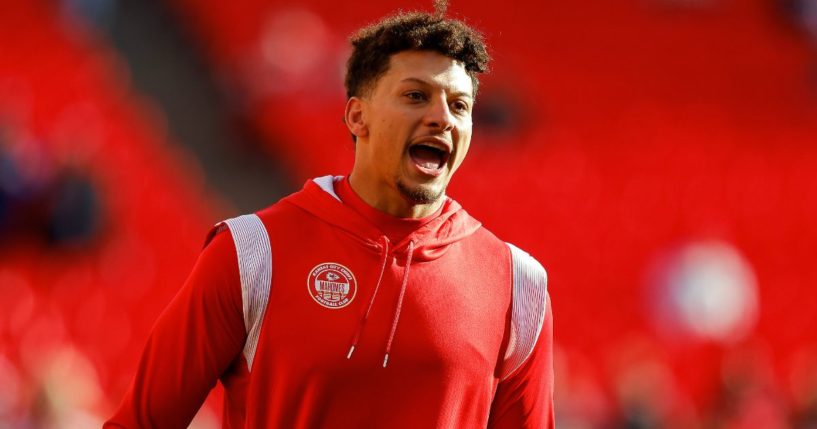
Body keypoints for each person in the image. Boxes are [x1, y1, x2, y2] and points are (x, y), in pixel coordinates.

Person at [105, 2, 554, 428]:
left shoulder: (518, 283)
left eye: (459, 105)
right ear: (357, 117)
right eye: (416, 96)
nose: (442, 118)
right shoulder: (251, 253)